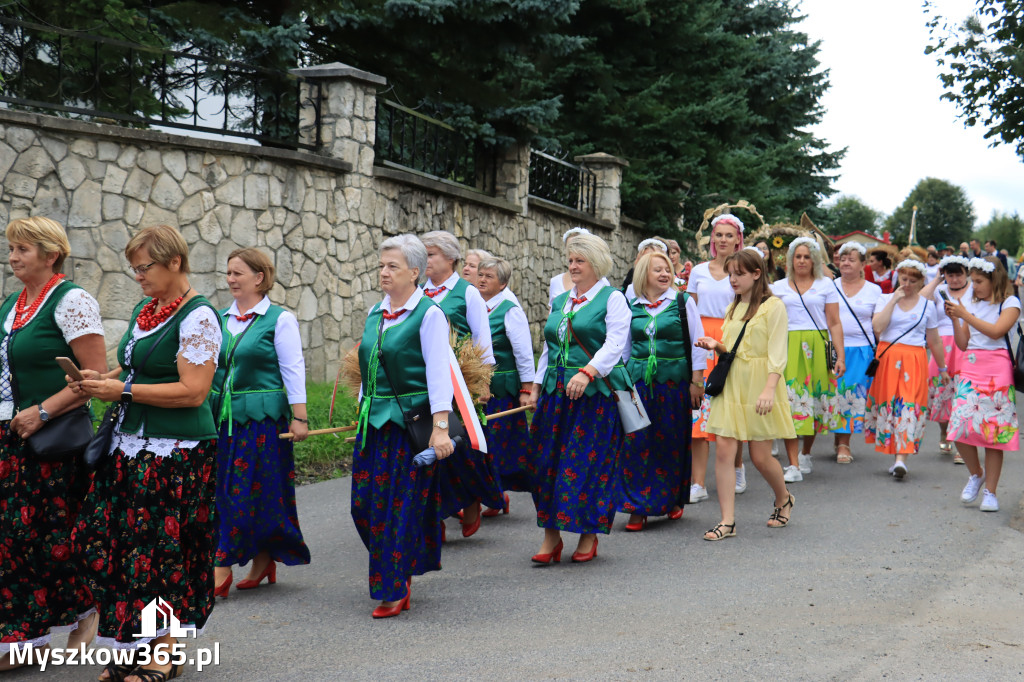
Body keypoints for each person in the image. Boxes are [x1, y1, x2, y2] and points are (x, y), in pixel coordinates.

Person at [72, 224, 221, 681]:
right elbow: (132, 367)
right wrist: (101, 382)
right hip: (128, 447)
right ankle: (130, 643)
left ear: (173, 262)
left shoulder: (199, 317)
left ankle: (165, 652)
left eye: (144, 267)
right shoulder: (148, 310)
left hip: (174, 452)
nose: (137, 276)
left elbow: (194, 391)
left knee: (161, 553)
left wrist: (124, 391)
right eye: (134, 269)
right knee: (112, 545)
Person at [0, 217, 106, 671]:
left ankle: (87, 611)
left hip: (50, 437)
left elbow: (96, 378)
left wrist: (41, 410)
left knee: (51, 536)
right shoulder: (13, 303)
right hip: (10, 433)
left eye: (23, 248)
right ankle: (28, 637)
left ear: (51, 254)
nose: (13, 256)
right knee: (11, 540)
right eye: (11, 248)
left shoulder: (72, 301)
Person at [351, 234, 453, 618]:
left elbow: (439, 375)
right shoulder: (377, 312)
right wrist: (361, 410)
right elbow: (368, 366)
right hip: (371, 426)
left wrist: (440, 428)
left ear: (415, 272)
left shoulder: (428, 314)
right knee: (362, 506)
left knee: (396, 507)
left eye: (392, 266)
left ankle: (394, 586)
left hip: (407, 427)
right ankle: (400, 563)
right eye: (381, 265)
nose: (384, 272)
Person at [210, 248, 311, 599]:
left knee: (252, 492)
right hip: (223, 422)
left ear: (259, 278)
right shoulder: (219, 318)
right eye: (228, 273)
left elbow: (293, 368)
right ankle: (263, 559)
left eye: (238, 273)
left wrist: (300, 416)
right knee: (224, 490)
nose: (231, 279)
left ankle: (220, 566)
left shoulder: (278, 319)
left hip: (264, 422)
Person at [529, 232, 630, 564]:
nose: (572, 266)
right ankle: (551, 536)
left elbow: (615, 344)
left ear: (596, 264)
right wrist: (536, 385)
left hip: (593, 397)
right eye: (570, 260)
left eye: (579, 261)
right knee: (547, 463)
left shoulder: (612, 298)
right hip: (556, 395)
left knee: (586, 464)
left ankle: (588, 534)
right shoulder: (561, 301)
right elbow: (550, 346)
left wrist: (587, 371)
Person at [697, 249, 796, 541]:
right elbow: (733, 348)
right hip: (733, 383)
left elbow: (778, 352)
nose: (732, 280)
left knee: (761, 456)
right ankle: (727, 521)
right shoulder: (733, 306)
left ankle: (784, 498)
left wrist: (769, 389)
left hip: (761, 383)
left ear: (756, 274)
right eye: (730, 274)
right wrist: (716, 344)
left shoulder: (773, 306)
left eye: (739, 274)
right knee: (725, 451)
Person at [617, 251, 706, 530]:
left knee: (671, 440)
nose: (665, 274)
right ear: (645, 274)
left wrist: (696, 382)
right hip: (640, 383)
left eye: (667, 269)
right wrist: (622, 381)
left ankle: (672, 499)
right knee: (637, 442)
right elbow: (625, 348)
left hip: (674, 383)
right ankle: (637, 506)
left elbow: (696, 344)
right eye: (658, 270)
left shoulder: (682, 302)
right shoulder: (631, 305)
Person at [420, 230, 498, 535]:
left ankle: (472, 499)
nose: (425, 260)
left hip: (460, 385)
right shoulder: (416, 293)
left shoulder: (467, 293)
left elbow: (483, 342)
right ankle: (434, 515)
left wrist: (482, 384)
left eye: (431, 254)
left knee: (462, 449)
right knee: (427, 446)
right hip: (425, 382)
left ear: (450, 258)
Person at [946, 257, 1019, 512]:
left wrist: (965, 314)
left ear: (993, 279)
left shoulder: (1011, 303)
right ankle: (976, 474)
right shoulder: (969, 303)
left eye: (978, 281)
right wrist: (956, 319)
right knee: (959, 427)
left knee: (993, 435)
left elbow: (997, 331)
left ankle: (991, 492)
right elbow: (963, 343)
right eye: (973, 281)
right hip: (971, 366)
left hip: (998, 369)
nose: (973, 286)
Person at [770, 237, 845, 482]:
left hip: (817, 346)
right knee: (791, 402)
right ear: (790, 260)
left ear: (814, 259)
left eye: (806, 256)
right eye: (797, 256)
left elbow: (834, 322)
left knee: (812, 401)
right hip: (788, 345)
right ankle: (792, 464)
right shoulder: (778, 287)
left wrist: (839, 356)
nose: (802, 260)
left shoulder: (826, 286)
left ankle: (805, 453)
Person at [866, 259, 947, 478]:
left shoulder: (927, 306)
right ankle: (896, 457)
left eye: (913, 280)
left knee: (908, 406)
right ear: (898, 278)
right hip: (888, 357)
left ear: (922, 282)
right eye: (904, 279)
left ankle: (901, 459)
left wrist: (942, 368)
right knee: (890, 406)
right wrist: (893, 301)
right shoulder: (884, 299)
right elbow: (877, 328)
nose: (907, 284)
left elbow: (935, 340)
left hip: (914, 358)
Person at [687, 214, 746, 503]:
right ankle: (699, 483)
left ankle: (737, 466)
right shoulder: (698, 271)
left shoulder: (744, 271)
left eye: (728, 235)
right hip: (701, 338)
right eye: (718, 234)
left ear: (738, 239)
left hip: (730, 338)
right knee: (698, 415)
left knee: (730, 408)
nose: (722, 239)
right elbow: (689, 312)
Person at [476, 257, 535, 514]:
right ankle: (492, 492)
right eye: (480, 274)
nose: (481, 280)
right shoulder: (476, 306)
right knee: (481, 443)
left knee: (500, 444)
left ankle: (497, 492)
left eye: (489, 276)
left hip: (502, 389)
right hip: (478, 390)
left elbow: (523, 352)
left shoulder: (509, 309)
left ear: (502, 284)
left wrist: (526, 388)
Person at [831, 243, 882, 464]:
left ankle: (844, 442)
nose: (845, 263)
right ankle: (839, 436)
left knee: (851, 395)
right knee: (834, 395)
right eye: (842, 259)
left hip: (861, 349)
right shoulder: (829, 287)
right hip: (833, 349)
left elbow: (878, 324)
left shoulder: (874, 290)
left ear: (862, 264)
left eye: (851, 259)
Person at [926, 255, 972, 461]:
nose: (954, 279)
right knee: (940, 393)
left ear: (966, 274)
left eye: (958, 275)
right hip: (941, 345)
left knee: (963, 394)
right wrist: (937, 279)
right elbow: (920, 298)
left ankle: (963, 442)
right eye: (950, 275)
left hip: (965, 343)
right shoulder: (939, 290)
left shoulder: (973, 290)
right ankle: (945, 431)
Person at [549, 227, 610, 305]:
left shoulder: (603, 285)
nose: (573, 267)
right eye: (570, 247)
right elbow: (552, 313)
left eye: (580, 261)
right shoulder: (555, 281)